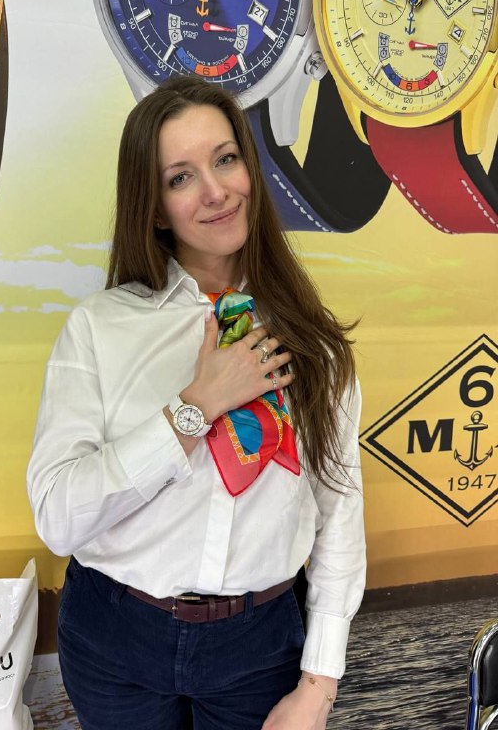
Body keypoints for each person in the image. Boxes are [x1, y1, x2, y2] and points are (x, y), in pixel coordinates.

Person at [27, 74, 365, 730]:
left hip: (260, 646)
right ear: (155, 207)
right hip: (115, 637)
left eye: (225, 159)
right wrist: (197, 406)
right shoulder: (100, 327)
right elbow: (59, 518)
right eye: (180, 177)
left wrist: (319, 686)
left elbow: (340, 515)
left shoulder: (314, 345)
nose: (215, 191)